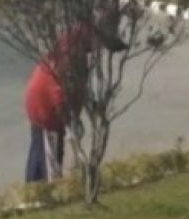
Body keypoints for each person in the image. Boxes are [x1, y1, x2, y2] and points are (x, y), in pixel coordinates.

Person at [24, 13, 126, 183]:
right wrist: (71, 121)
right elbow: (60, 91)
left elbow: (76, 85)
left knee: (39, 150)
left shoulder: (77, 39)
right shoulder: (72, 56)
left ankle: (32, 191)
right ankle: (51, 194)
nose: (98, 49)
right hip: (47, 109)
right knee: (52, 158)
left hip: (39, 102)